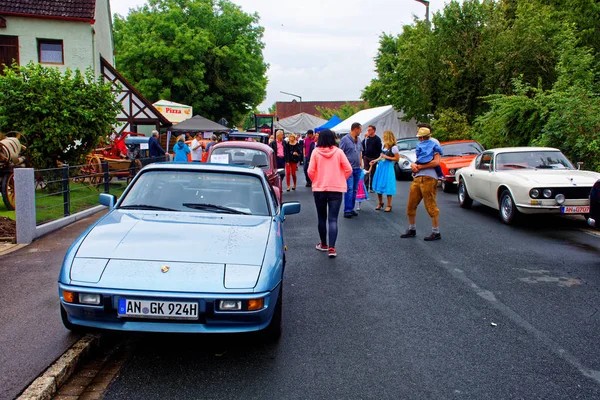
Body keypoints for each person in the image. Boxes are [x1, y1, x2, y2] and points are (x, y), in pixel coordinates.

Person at [307, 129, 352, 258]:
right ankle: (332, 248)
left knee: (322, 218)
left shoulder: (315, 152)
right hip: (336, 189)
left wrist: (316, 180)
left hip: (320, 189)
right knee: (333, 219)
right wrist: (340, 178)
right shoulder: (339, 152)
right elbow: (348, 169)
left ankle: (323, 244)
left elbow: (310, 171)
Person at [401, 126, 442, 241]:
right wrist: (414, 165)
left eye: (420, 136)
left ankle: (436, 231)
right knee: (411, 205)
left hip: (429, 177)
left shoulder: (434, 143)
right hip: (417, 177)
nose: (418, 138)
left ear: (425, 136)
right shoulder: (421, 145)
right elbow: (418, 160)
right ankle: (412, 228)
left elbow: (436, 162)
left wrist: (420, 167)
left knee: (430, 205)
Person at [370, 130, 400, 212]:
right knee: (379, 183)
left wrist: (387, 157)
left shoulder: (393, 147)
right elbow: (381, 156)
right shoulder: (384, 146)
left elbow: (397, 158)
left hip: (388, 167)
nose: (383, 137)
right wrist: (375, 160)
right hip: (381, 166)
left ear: (388, 137)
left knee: (388, 185)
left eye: (384, 136)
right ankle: (380, 202)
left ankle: (389, 205)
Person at [339, 122, 363, 218]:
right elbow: (341, 153)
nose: (361, 131)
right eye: (360, 129)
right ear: (355, 129)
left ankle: (351, 208)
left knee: (354, 189)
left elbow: (360, 152)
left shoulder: (359, 140)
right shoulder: (345, 140)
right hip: (348, 169)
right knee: (349, 188)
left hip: (357, 168)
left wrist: (361, 163)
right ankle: (347, 210)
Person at [362, 125, 382, 193]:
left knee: (373, 172)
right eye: (368, 130)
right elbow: (362, 146)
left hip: (373, 158)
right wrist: (363, 155)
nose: (369, 131)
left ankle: (371, 187)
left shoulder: (377, 139)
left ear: (373, 130)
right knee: (366, 172)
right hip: (366, 157)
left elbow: (379, 149)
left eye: (370, 130)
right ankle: (365, 187)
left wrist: (376, 158)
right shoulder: (366, 139)